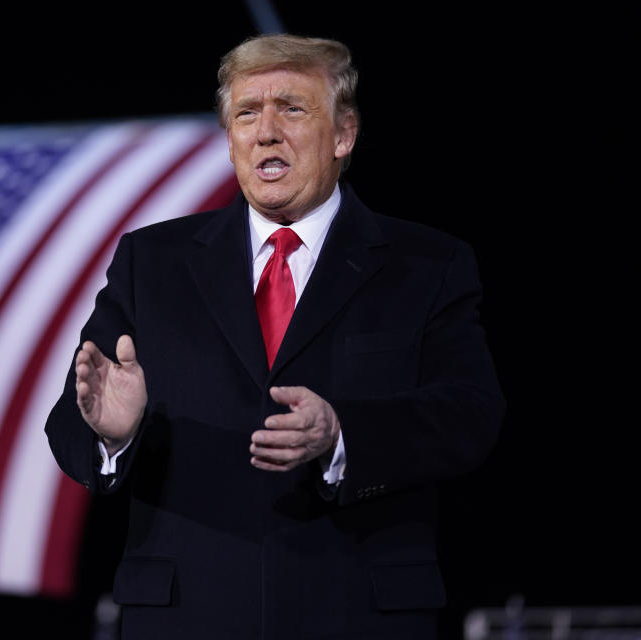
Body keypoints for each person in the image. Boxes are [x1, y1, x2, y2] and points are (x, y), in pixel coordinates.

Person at [45, 33, 504, 640]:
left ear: (343, 134)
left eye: (291, 107)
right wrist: (113, 435)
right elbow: (71, 425)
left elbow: (469, 416)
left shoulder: (426, 264)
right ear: (230, 140)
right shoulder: (151, 262)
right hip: (187, 618)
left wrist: (343, 434)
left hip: (356, 616)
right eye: (246, 113)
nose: (266, 131)